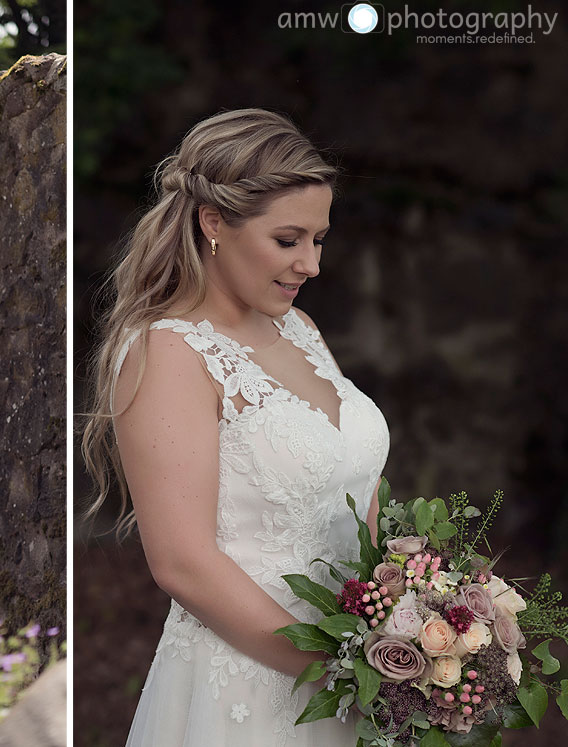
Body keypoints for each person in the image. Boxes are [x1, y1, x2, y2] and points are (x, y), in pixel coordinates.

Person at [81, 109, 389, 746]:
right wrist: (331, 674)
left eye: (319, 239)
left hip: (365, 669)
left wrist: (405, 616)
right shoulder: (166, 352)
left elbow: (354, 485)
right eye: (288, 240)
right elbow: (182, 563)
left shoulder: (299, 330)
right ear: (213, 222)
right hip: (252, 684)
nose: (311, 263)